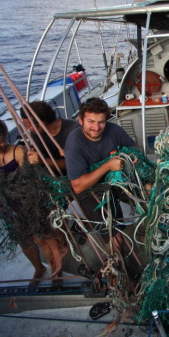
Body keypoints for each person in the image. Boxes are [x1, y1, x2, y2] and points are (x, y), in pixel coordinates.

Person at [0, 119, 66, 285]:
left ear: (6, 137)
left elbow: (29, 181)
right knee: (23, 239)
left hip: (29, 202)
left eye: (0, 142)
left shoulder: (18, 151)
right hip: (6, 206)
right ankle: (38, 268)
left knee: (44, 235)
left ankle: (55, 270)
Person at [64, 97, 135, 239]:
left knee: (148, 190)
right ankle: (117, 255)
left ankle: (145, 229)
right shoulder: (74, 144)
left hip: (117, 180)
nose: (96, 128)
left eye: (101, 122)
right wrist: (107, 166)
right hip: (90, 190)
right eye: (91, 121)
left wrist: (131, 156)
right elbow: (78, 186)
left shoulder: (114, 130)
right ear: (81, 120)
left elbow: (133, 149)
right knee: (113, 234)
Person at [20, 101, 79, 172]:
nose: (27, 128)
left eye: (29, 126)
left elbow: (75, 163)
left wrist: (44, 161)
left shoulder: (73, 131)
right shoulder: (36, 133)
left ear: (42, 123)